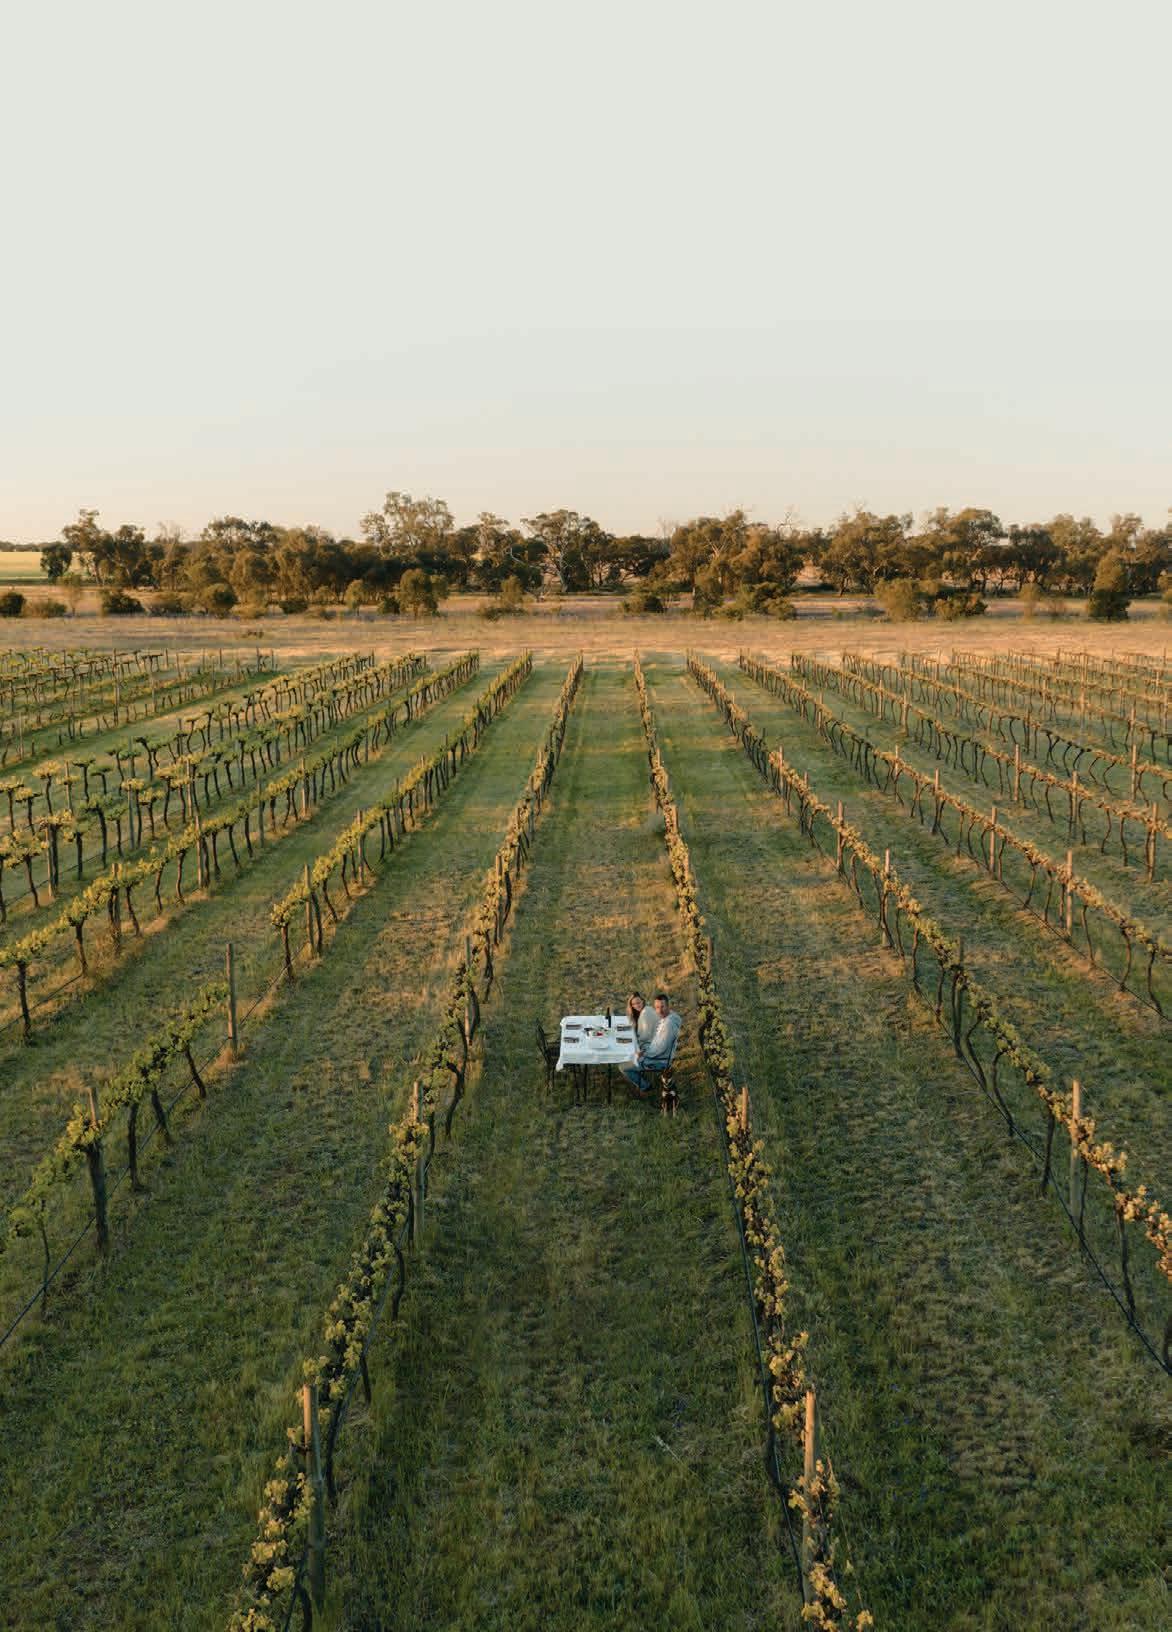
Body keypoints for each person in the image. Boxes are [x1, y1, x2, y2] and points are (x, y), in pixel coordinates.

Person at [622, 992, 680, 1096]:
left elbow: (659, 1048)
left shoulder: (667, 1024)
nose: (659, 1011)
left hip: (659, 1061)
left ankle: (647, 1088)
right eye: (657, 1007)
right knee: (628, 1051)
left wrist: (643, 1054)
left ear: (668, 1006)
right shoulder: (667, 1019)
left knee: (623, 1066)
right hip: (659, 1055)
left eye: (662, 1007)